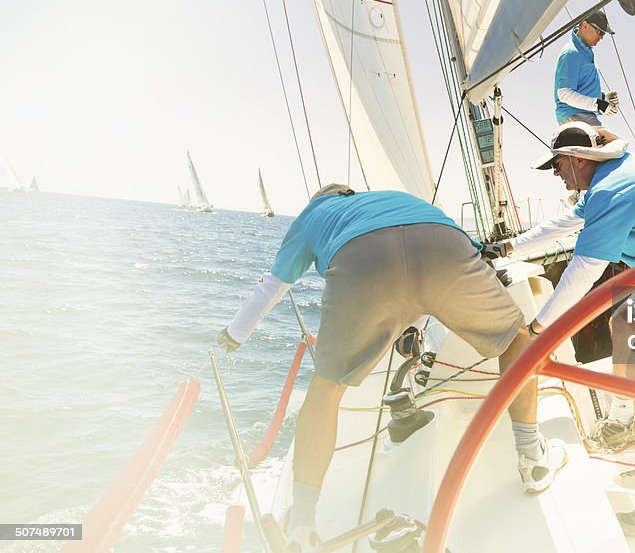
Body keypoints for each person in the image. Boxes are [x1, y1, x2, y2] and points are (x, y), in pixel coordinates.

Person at [216, 184, 567, 550]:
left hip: (362, 261)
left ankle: (301, 526)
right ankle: (532, 459)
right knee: (517, 340)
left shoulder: (309, 216)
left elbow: (273, 285)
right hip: (442, 243)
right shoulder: (390, 197)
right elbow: (465, 254)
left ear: (317, 200)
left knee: (327, 388)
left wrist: (234, 335)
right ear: (348, 193)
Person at [482, 122, 635, 536]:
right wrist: (509, 247)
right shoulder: (612, 179)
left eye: (558, 165)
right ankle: (626, 416)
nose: (556, 174)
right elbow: (566, 222)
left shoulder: (612, 189)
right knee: (623, 320)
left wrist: (539, 327)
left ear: (578, 160)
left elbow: (584, 271)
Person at [553, 10, 620, 126]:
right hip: (575, 116)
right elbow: (564, 94)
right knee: (618, 144)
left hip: (584, 117)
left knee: (618, 144)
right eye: (599, 32)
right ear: (584, 25)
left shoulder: (584, 52)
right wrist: (599, 104)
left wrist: (602, 98)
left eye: (603, 34)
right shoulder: (571, 53)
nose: (601, 37)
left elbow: (582, 88)